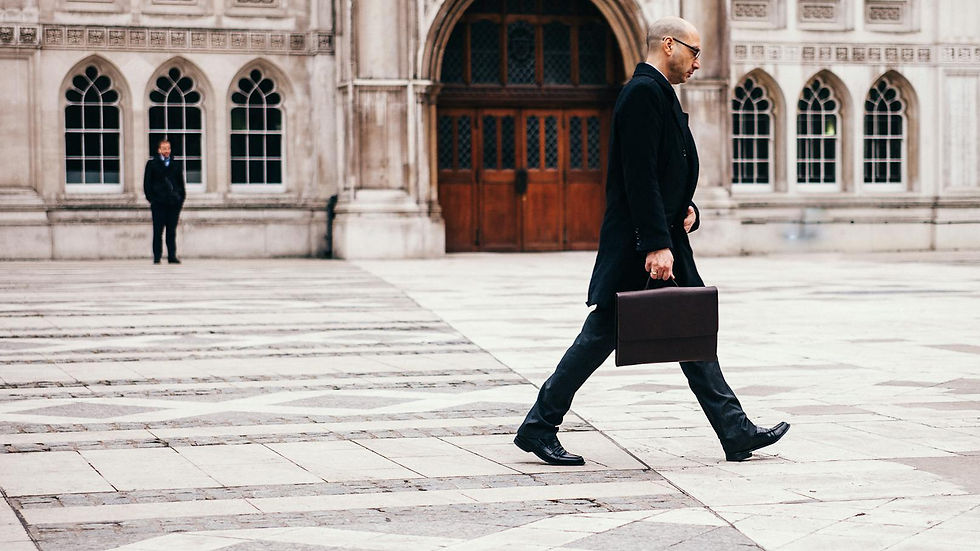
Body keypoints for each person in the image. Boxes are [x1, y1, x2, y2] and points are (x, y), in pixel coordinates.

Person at [514, 16, 789, 465]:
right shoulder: (643, 93)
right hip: (644, 246)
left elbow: (665, 173)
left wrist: (690, 209)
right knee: (605, 335)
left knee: (690, 329)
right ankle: (538, 425)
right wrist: (656, 244)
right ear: (668, 45)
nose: (699, 63)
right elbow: (638, 177)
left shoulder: (657, 93)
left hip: (662, 238)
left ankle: (734, 430)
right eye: (694, 52)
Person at [143, 139, 185, 264]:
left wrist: (180, 199)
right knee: (158, 231)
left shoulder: (176, 164)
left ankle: (172, 256)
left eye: (168, 148)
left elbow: (181, 184)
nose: (167, 151)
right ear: (159, 150)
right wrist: (152, 199)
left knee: (171, 231)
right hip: (158, 203)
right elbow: (147, 184)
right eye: (164, 148)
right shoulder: (152, 164)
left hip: (173, 203)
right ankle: (157, 257)